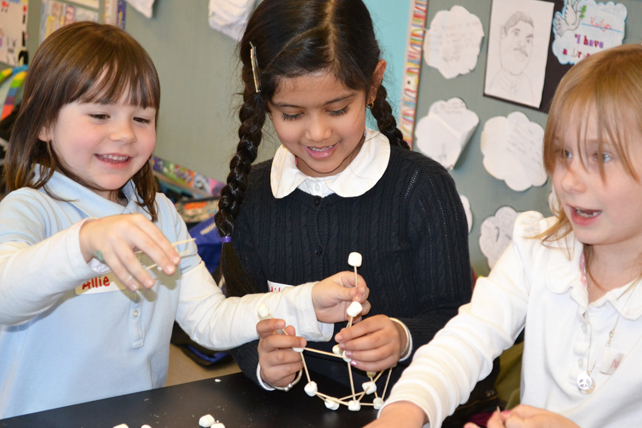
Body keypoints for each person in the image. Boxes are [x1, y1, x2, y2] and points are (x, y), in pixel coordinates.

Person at [0, 22, 370, 419]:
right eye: (100, 114)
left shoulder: (160, 214)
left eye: (141, 119)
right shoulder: (29, 208)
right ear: (43, 121)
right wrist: (86, 239)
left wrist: (306, 301)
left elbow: (210, 320)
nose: (124, 134)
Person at [366, 44, 642, 428]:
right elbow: (467, 340)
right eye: (564, 153)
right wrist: (402, 413)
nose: (569, 180)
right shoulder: (538, 247)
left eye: (601, 156)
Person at [214, 0, 474, 407]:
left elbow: (463, 326)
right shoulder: (253, 194)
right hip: (286, 410)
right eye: (292, 114)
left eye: (338, 109)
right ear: (265, 101)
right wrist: (260, 362)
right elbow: (235, 315)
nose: (317, 133)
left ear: (372, 84)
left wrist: (404, 337)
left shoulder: (421, 189)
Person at [487, 11, 535, 105]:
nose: (523, 44)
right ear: (502, 35)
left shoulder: (527, 87)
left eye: (528, 40)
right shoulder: (493, 85)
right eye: (516, 34)